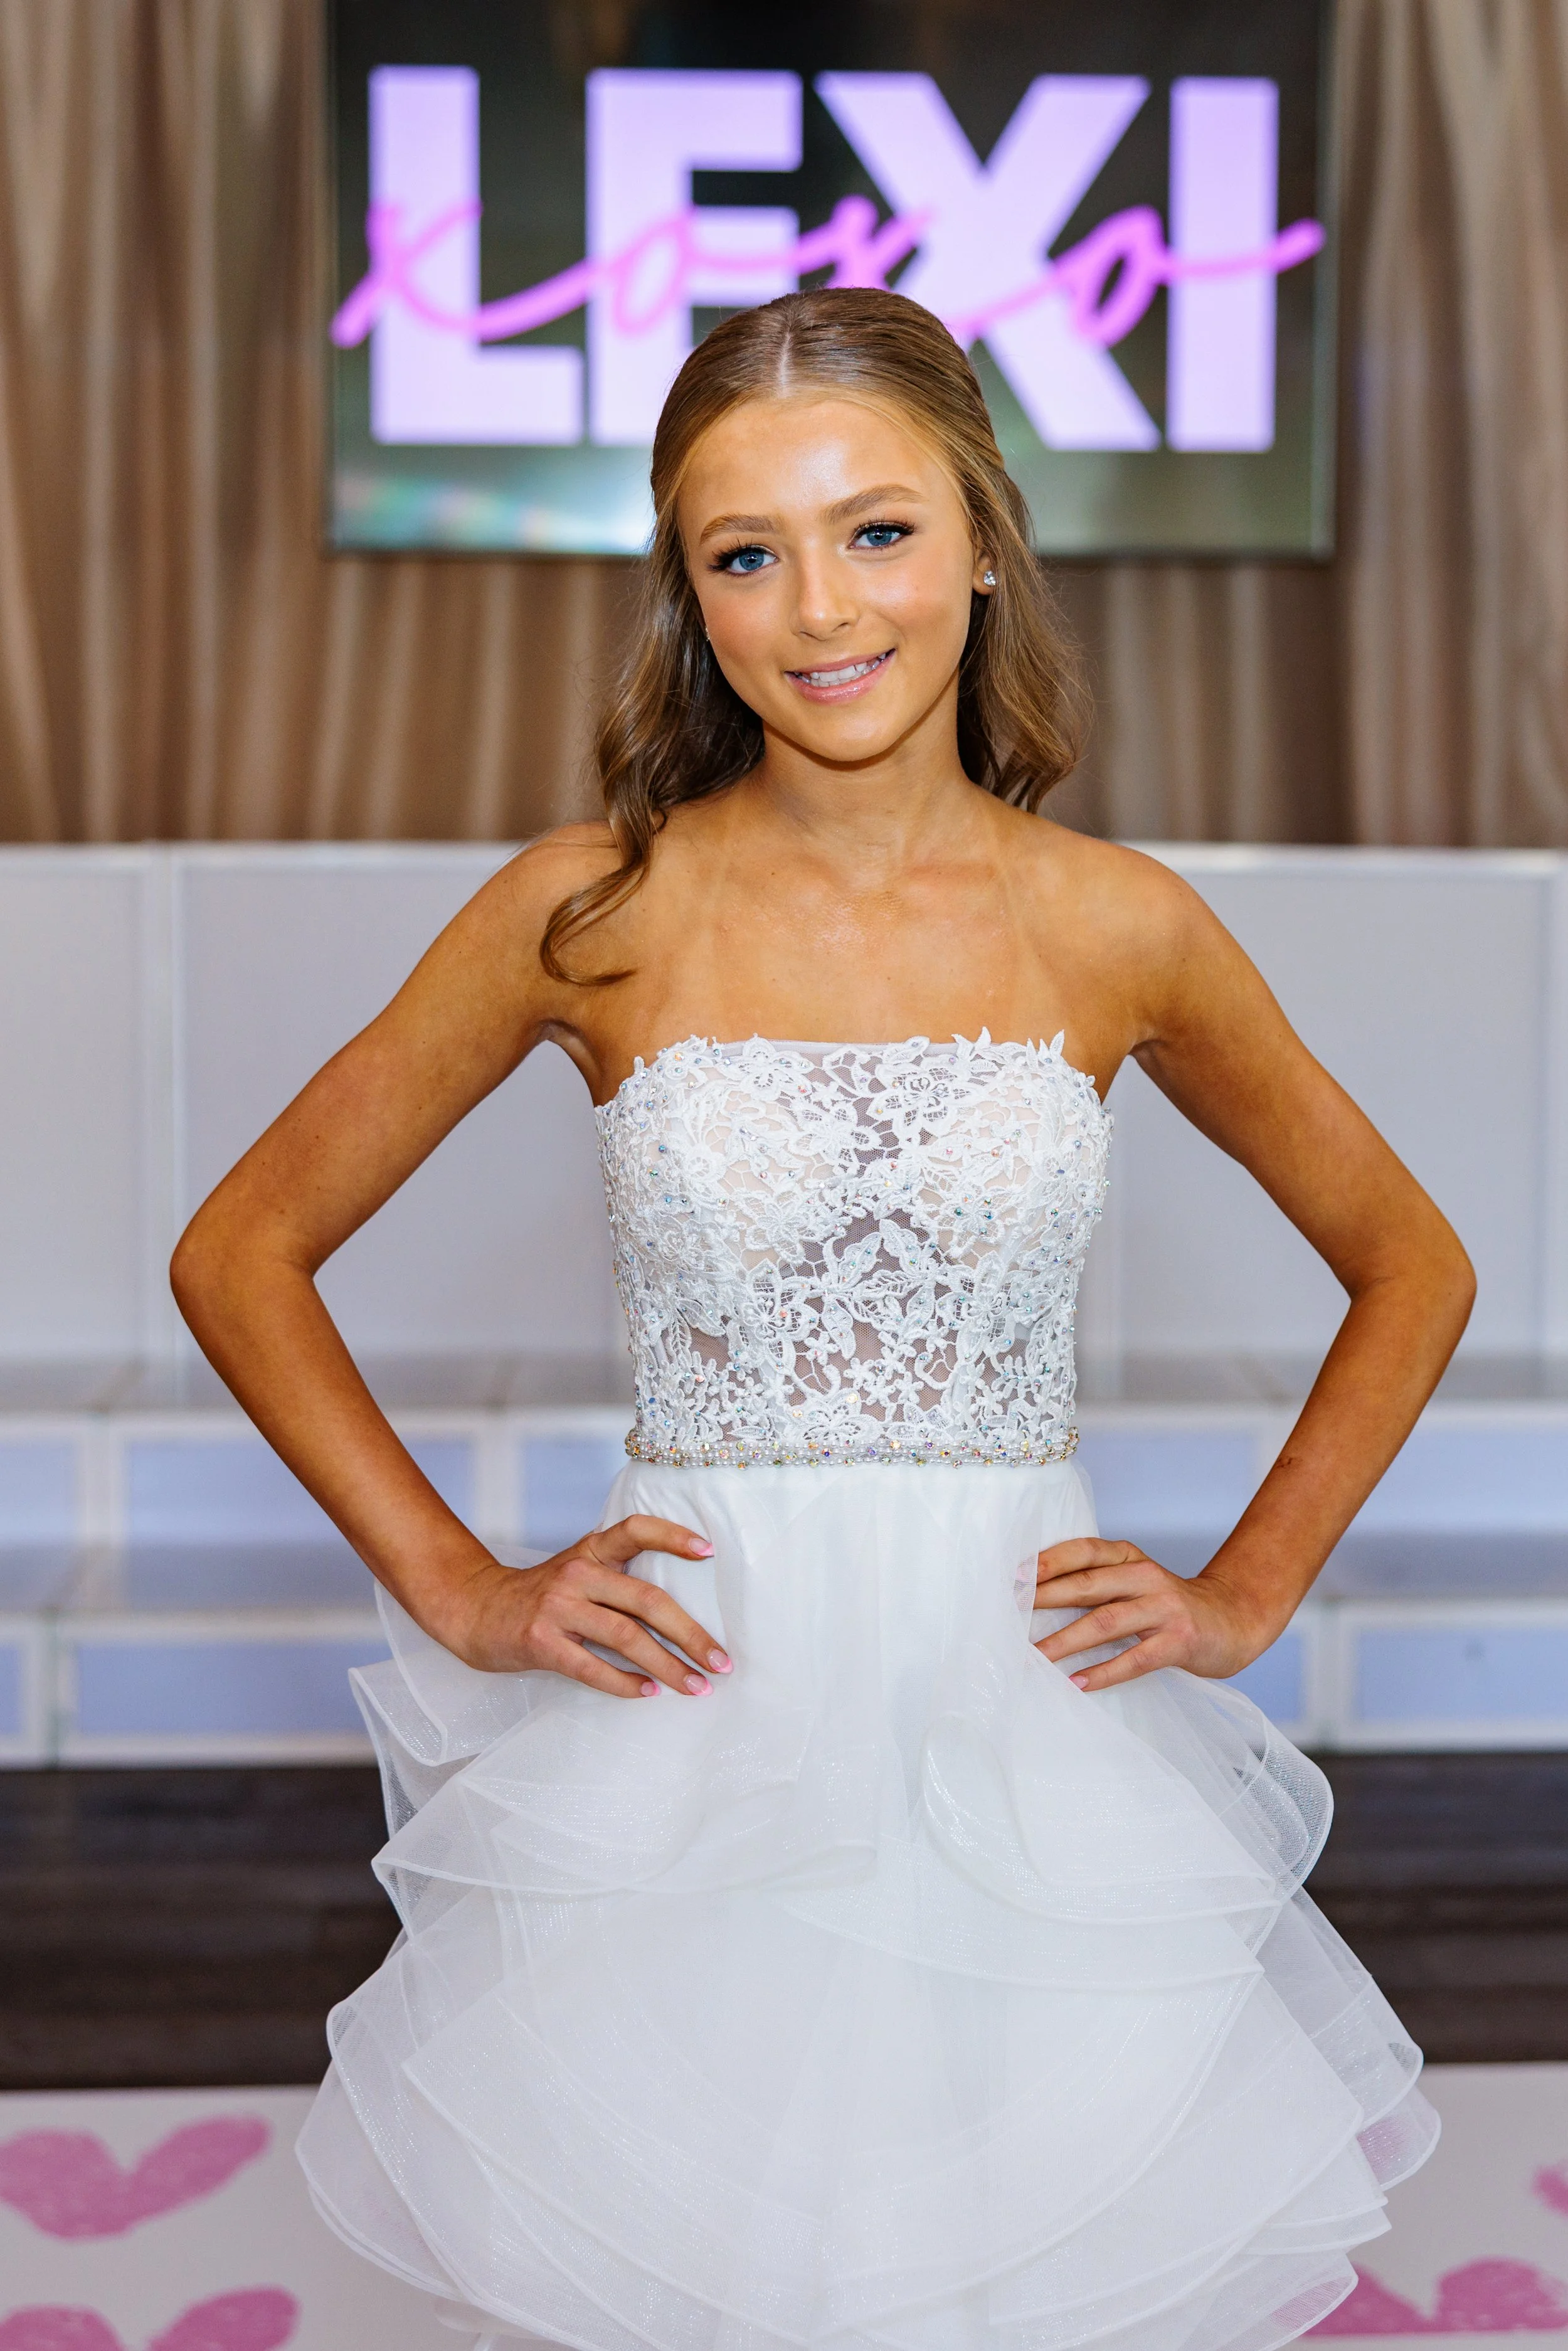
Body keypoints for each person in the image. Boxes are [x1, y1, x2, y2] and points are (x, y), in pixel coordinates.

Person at [172, 288, 1473, 2351]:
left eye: (874, 530)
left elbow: (1413, 1257)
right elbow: (242, 1246)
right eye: (742, 552)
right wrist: (465, 1590)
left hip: (1018, 1709)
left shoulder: (1114, 921)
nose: (818, 606)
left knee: (1011, 2265)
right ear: (690, 598)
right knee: (720, 2264)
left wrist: (1243, 1593)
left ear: (980, 536)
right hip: (698, 1710)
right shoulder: (590, 911)